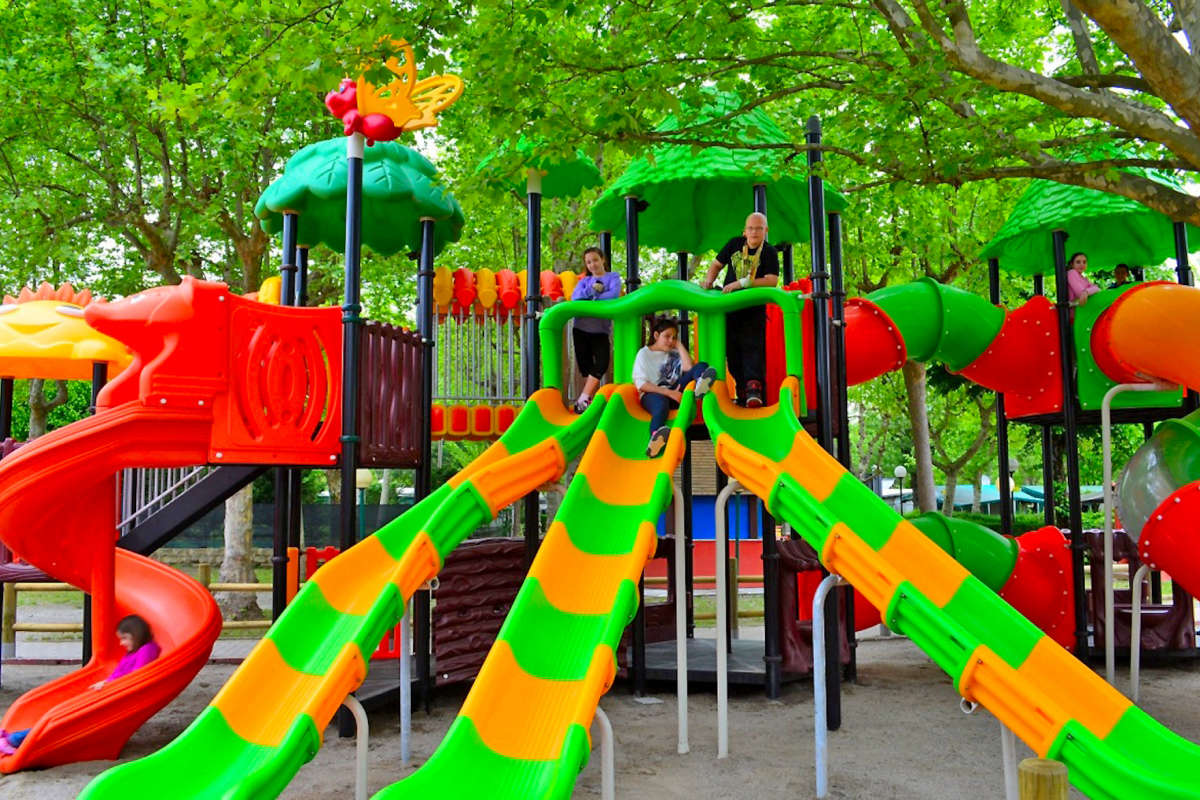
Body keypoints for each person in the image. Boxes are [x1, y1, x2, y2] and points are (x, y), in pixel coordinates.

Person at [0, 614, 160, 755]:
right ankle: (13, 737)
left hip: (114, 698)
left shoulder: (147, 649)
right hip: (109, 694)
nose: (121, 643)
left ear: (137, 635)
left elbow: (136, 676)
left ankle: (14, 739)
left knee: (62, 723)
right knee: (60, 718)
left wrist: (109, 684)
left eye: (125, 638)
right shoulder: (133, 653)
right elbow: (121, 674)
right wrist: (106, 682)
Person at [700, 212, 779, 408]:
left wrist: (742, 283)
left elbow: (772, 280)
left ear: (765, 231)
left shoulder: (768, 252)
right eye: (751, 228)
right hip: (731, 308)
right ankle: (742, 391)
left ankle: (755, 390)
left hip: (753, 309)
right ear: (745, 231)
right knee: (732, 350)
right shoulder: (734, 244)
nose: (754, 232)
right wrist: (709, 280)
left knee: (752, 347)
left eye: (759, 228)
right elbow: (716, 264)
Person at [633, 316, 717, 458]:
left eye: (674, 337)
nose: (671, 341)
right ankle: (655, 438)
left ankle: (700, 384)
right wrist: (669, 393)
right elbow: (641, 384)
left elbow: (688, 367)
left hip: (675, 393)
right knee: (661, 404)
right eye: (667, 336)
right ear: (656, 335)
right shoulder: (644, 353)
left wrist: (678, 345)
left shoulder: (673, 352)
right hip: (652, 395)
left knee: (701, 365)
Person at [570, 247, 621, 413]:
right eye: (589, 262)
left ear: (603, 259)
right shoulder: (584, 281)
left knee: (601, 363)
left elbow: (613, 295)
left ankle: (583, 398)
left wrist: (592, 299)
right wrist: (592, 291)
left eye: (595, 260)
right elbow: (575, 298)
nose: (592, 264)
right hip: (581, 329)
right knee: (586, 367)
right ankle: (586, 400)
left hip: (600, 331)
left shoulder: (612, 277)